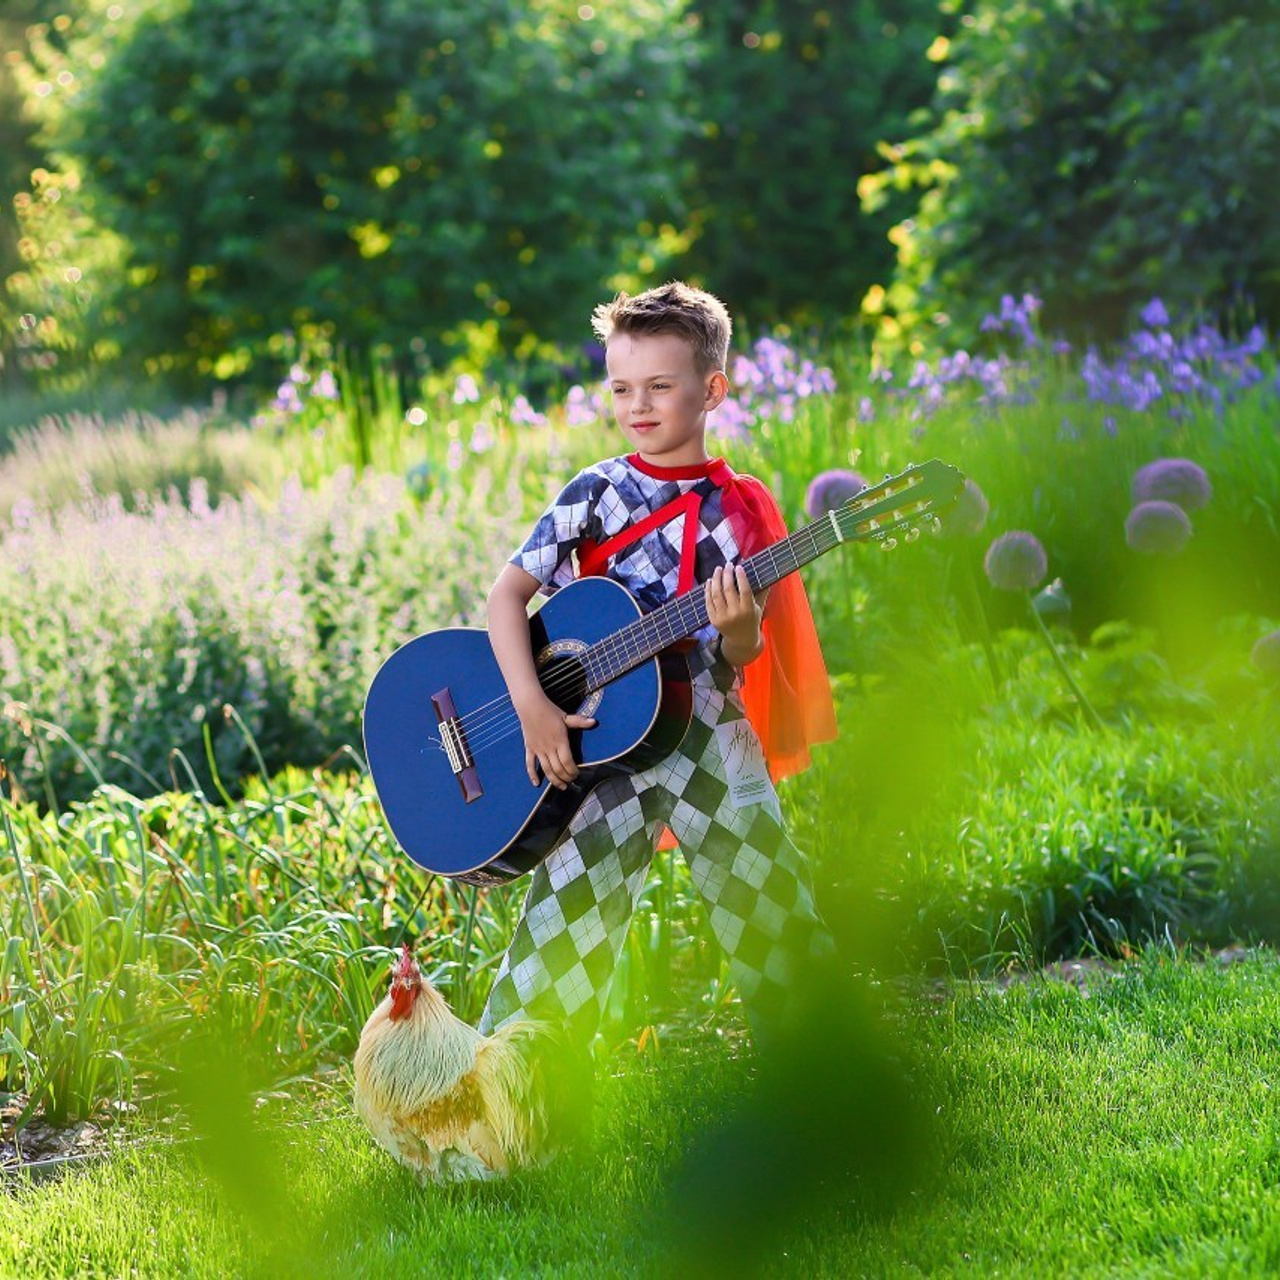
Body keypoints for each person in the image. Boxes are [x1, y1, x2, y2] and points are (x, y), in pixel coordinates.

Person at [480, 281, 837, 1044]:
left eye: (660, 387)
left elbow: (741, 657)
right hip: (605, 743)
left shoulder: (740, 515)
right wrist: (531, 705)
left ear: (712, 390)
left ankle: (824, 1094)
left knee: (773, 918)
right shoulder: (596, 493)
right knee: (558, 942)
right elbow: (506, 598)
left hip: (711, 734)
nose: (638, 406)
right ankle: (503, 1120)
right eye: (621, 388)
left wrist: (739, 631)